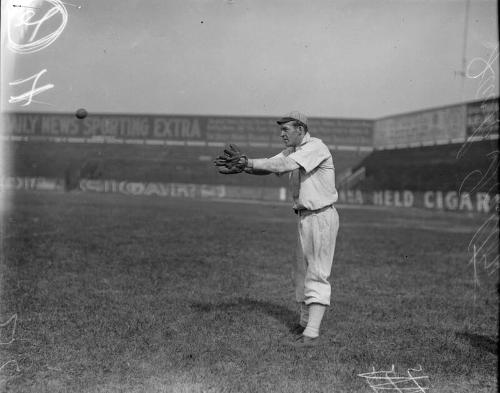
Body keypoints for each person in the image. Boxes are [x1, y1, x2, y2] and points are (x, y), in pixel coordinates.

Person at [215, 111, 340, 347]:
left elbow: (284, 164)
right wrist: (246, 167)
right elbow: (272, 165)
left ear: (300, 130)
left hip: (321, 215)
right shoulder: (294, 150)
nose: (282, 134)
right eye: (281, 130)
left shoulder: (316, 147)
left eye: (286, 129)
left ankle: (311, 334)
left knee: (317, 273)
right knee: (301, 274)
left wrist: (248, 162)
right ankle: (304, 324)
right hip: (306, 216)